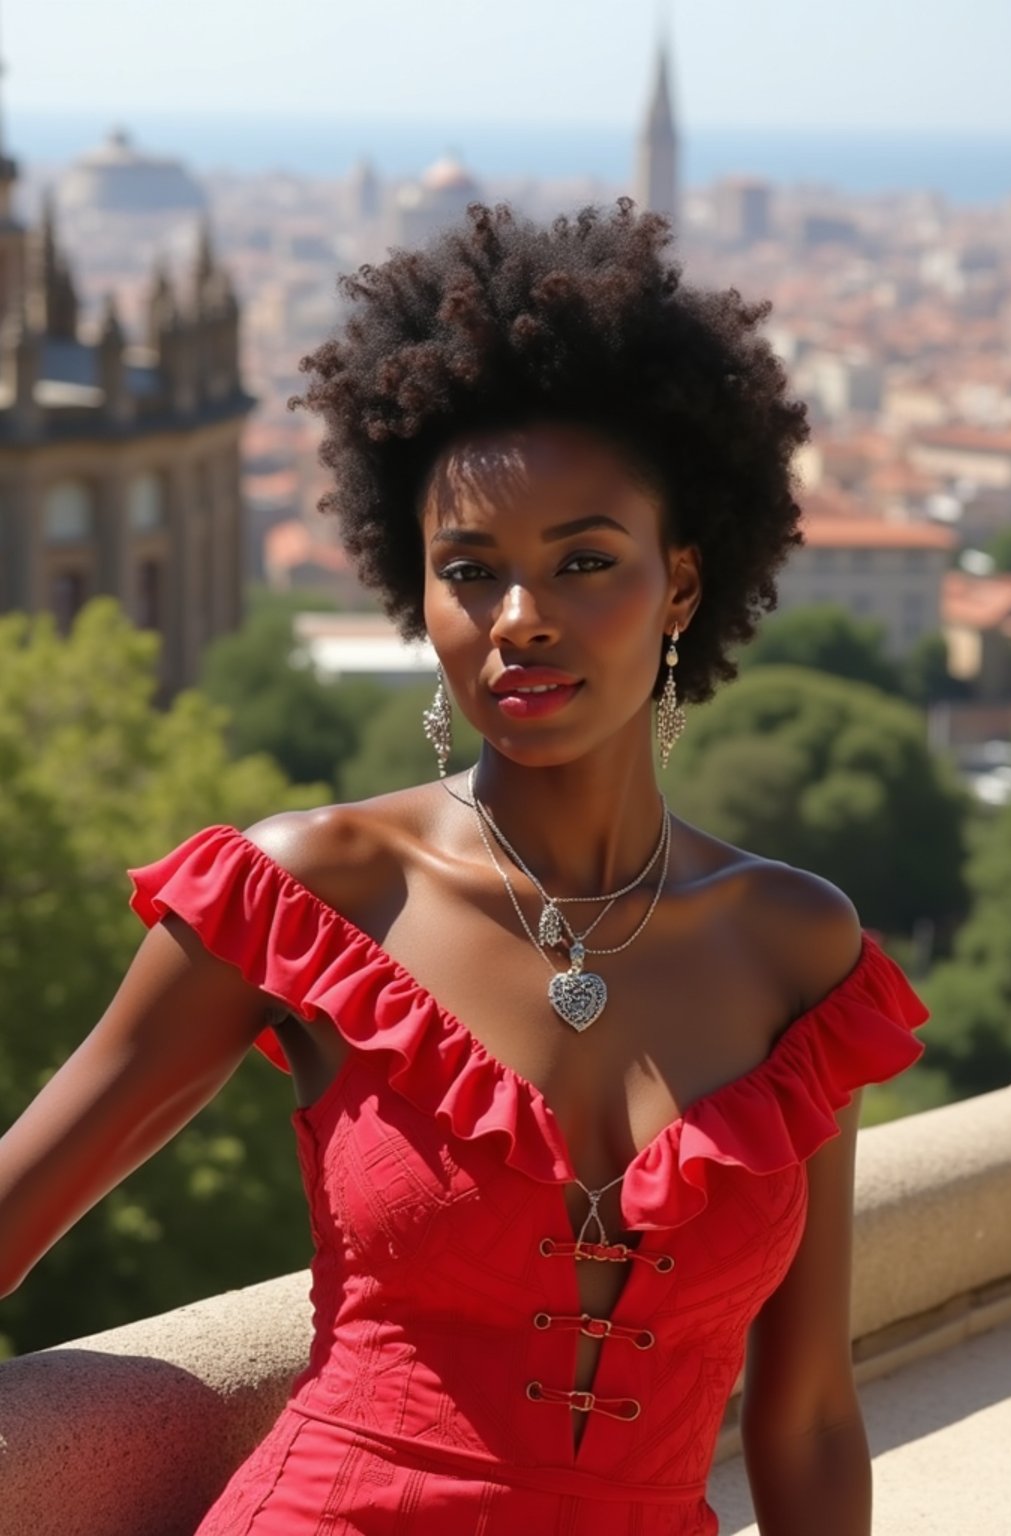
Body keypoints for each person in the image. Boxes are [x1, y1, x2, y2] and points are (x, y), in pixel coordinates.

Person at [0, 201, 927, 1536]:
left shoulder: (798, 950)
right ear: (417, 590)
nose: (521, 619)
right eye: (470, 569)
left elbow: (813, 1417)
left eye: (584, 563)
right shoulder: (310, 893)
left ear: (680, 586)